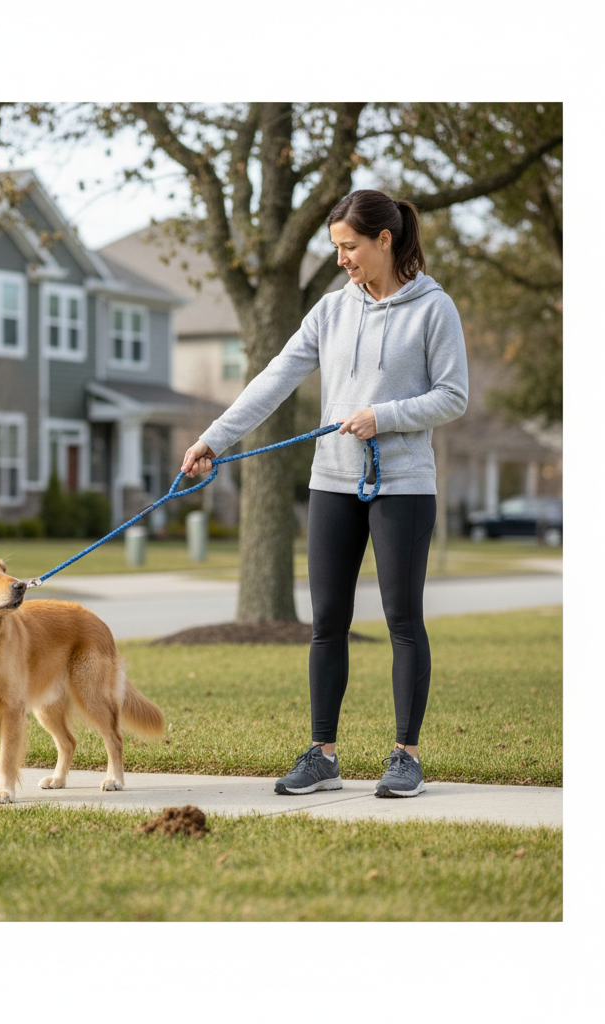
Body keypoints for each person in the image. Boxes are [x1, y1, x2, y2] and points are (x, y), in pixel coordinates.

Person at [181, 189, 468, 798]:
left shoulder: (434, 309)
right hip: (333, 481)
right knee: (327, 622)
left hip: (404, 485)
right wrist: (213, 439)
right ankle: (323, 755)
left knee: (402, 620)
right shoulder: (331, 312)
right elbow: (275, 377)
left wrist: (382, 416)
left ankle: (405, 756)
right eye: (336, 247)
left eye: (349, 247)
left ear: (384, 241)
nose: (341, 259)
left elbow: (453, 396)